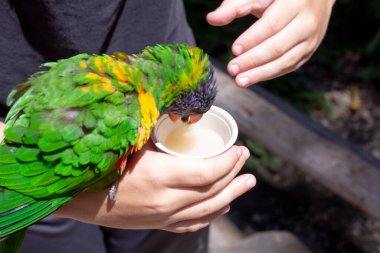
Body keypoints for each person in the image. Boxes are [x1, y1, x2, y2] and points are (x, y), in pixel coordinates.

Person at [0, 0, 334, 252]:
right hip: (31, 160)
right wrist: (93, 201)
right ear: (180, 93)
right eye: (190, 113)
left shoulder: (137, 94)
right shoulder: (125, 115)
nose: (185, 121)